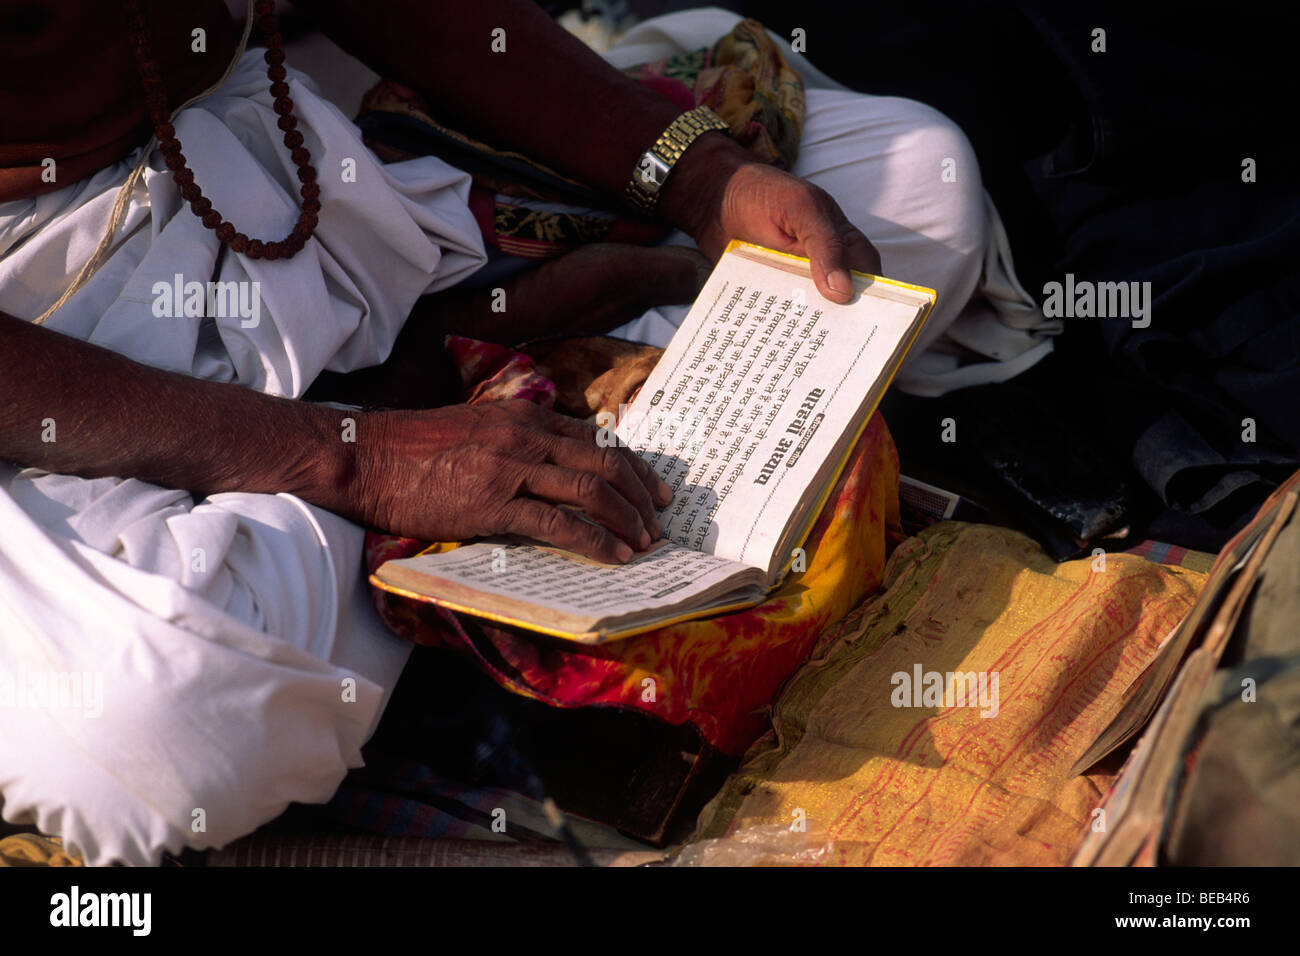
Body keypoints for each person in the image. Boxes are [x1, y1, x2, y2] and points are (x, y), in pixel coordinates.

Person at [0, 0, 1026, 864]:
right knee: (161, 729)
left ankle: (466, 468)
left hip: (301, 168)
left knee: (914, 200)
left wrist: (698, 177)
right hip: (44, 353)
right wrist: (353, 454)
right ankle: (471, 423)